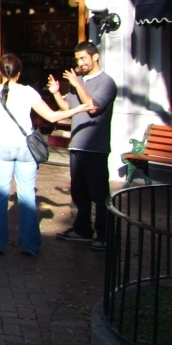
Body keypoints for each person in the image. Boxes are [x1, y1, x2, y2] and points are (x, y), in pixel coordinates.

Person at [0, 53, 93, 256]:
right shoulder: (28, 92)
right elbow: (51, 116)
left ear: (0, 72)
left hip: (1, 147)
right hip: (25, 148)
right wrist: (80, 109)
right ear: (20, 72)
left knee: (0, 196)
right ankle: (30, 245)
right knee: (27, 195)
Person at [50, 41, 119, 251]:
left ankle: (104, 235)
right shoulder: (77, 82)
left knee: (99, 194)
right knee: (79, 192)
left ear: (95, 57)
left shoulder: (106, 82)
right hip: (77, 144)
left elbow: (93, 108)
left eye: (83, 59)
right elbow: (68, 108)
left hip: (96, 147)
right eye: (78, 59)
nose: (80, 63)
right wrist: (55, 92)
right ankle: (83, 229)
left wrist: (78, 83)